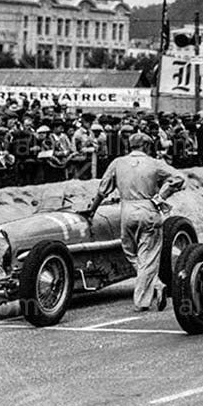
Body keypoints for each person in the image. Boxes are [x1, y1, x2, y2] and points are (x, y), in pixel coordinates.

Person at [81, 132, 185, 312]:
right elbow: (178, 178)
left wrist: (92, 210)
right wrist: (161, 197)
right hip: (149, 208)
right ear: (146, 146)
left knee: (130, 252)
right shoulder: (154, 163)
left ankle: (153, 285)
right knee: (149, 255)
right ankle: (145, 297)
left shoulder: (118, 163)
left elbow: (103, 189)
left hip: (126, 211)